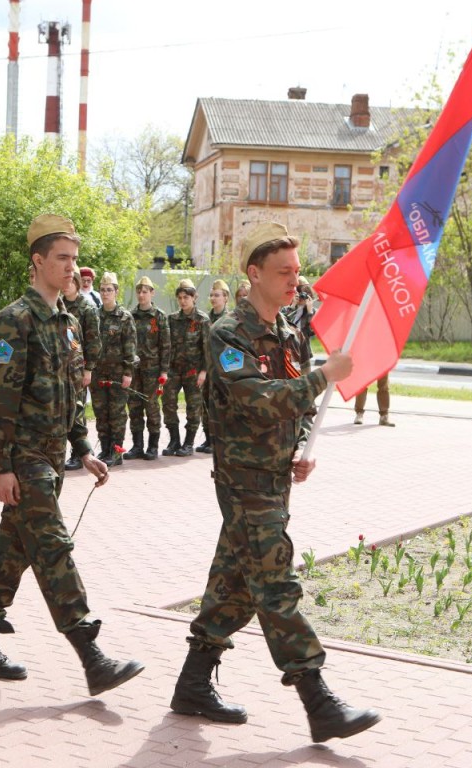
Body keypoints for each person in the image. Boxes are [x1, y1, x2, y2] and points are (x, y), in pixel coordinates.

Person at [169, 221, 381, 743]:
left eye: (297, 271)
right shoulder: (227, 334)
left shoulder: (288, 329)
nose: (294, 280)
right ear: (254, 273)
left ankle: (193, 684)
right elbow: (258, 398)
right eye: (284, 272)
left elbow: (295, 405)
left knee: (234, 585)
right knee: (275, 585)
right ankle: (317, 697)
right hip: (243, 481)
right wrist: (323, 376)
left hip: (273, 477)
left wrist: (298, 448)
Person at [0, 213, 144, 696]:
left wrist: (83, 447)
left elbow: (67, 392)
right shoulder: (13, 321)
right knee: (52, 548)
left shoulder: (67, 321)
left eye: (75, 259)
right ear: (38, 261)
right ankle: (92, 656)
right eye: (62, 258)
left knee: (14, 549)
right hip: (24, 458)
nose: (72, 268)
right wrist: (0, 466)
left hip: (53, 455)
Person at [88, 271, 136, 466]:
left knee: (116, 414)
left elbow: (130, 347)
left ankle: (116, 452)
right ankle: (105, 449)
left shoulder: (124, 317)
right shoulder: (94, 316)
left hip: (117, 374)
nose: (105, 293)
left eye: (109, 290)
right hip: (98, 373)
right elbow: (90, 344)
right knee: (101, 412)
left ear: (116, 292)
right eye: (102, 290)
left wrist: (128, 373)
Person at [162, 279, 210, 457]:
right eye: (180, 297)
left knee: (193, 407)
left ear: (194, 298)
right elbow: (166, 346)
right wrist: (164, 370)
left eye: (186, 297)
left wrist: (204, 371)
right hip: (174, 370)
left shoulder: (202, 320)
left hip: (194, 370)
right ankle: (174, 440)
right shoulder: (172, 319)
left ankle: (188, 443)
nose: (183, 301)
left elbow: (207, 348)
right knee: (168, 405)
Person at [124, 275, 170, 461]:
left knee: (151, 408)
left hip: (152, 370)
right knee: (134, 408)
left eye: (145, 292)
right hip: (135, 371)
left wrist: (164, 371)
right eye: (139, 292)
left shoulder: (159, 317)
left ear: (152, 293)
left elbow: (166, 346)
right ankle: (137, 445)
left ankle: (152, 446)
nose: (141, 295)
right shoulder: (130, 316)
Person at [62, 271, 101, 470]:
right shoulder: (58, 305)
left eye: (71, 282)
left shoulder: (87, 308)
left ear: (77, 284)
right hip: (60, 368)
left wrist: (89, 370)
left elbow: (93, 341)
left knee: (76, 410)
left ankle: (79, 452)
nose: (67, 285)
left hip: (78, 368)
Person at [198, 279, 231, 453]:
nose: (213, 298)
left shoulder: (231, 319)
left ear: (226, 298)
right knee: (206, 404)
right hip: (207, 369)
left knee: (221, 405)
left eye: (217, 295)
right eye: (211, 295)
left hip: (223, 371)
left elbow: (234, 348)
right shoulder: (206, 319)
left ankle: (220, 440)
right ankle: (208, 438)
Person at [288, 276, 317, 375]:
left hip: (303, 353)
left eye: (305, 292)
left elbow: (311, 332)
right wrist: (292, 306)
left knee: (305, 381)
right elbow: (283, 322)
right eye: (300, 291)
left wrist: (309, 312)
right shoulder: (289, 308)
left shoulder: (312, 312)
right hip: (289, 350)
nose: (302, 296)